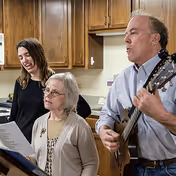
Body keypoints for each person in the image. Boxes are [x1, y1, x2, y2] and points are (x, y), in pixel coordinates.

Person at [95, 11, 176, 176]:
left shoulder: (171, 72)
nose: (126, 39)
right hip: (133, 167)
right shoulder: (122, 78)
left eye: (133, 32)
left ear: (155, 39)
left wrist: (160, 115)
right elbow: (107, 113)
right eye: (126, 34)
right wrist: (104, 130)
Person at [10, 38, 91, 143]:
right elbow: (14, 115)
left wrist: (59, 127)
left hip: (43, 143)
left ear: (38, 55)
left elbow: (84, 109)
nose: (24, 61)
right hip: (20, 142)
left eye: (27, 55)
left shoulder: (56, 82)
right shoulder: (20, 82)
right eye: (20, 57)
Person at [30, 72, 99, 176]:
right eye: (47, 90)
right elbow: (35, 156)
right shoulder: (39, 123)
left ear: (68, 97)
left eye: (54, 92)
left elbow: (91, 163)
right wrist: (29, 159)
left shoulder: (79, 126)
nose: (47, 95)